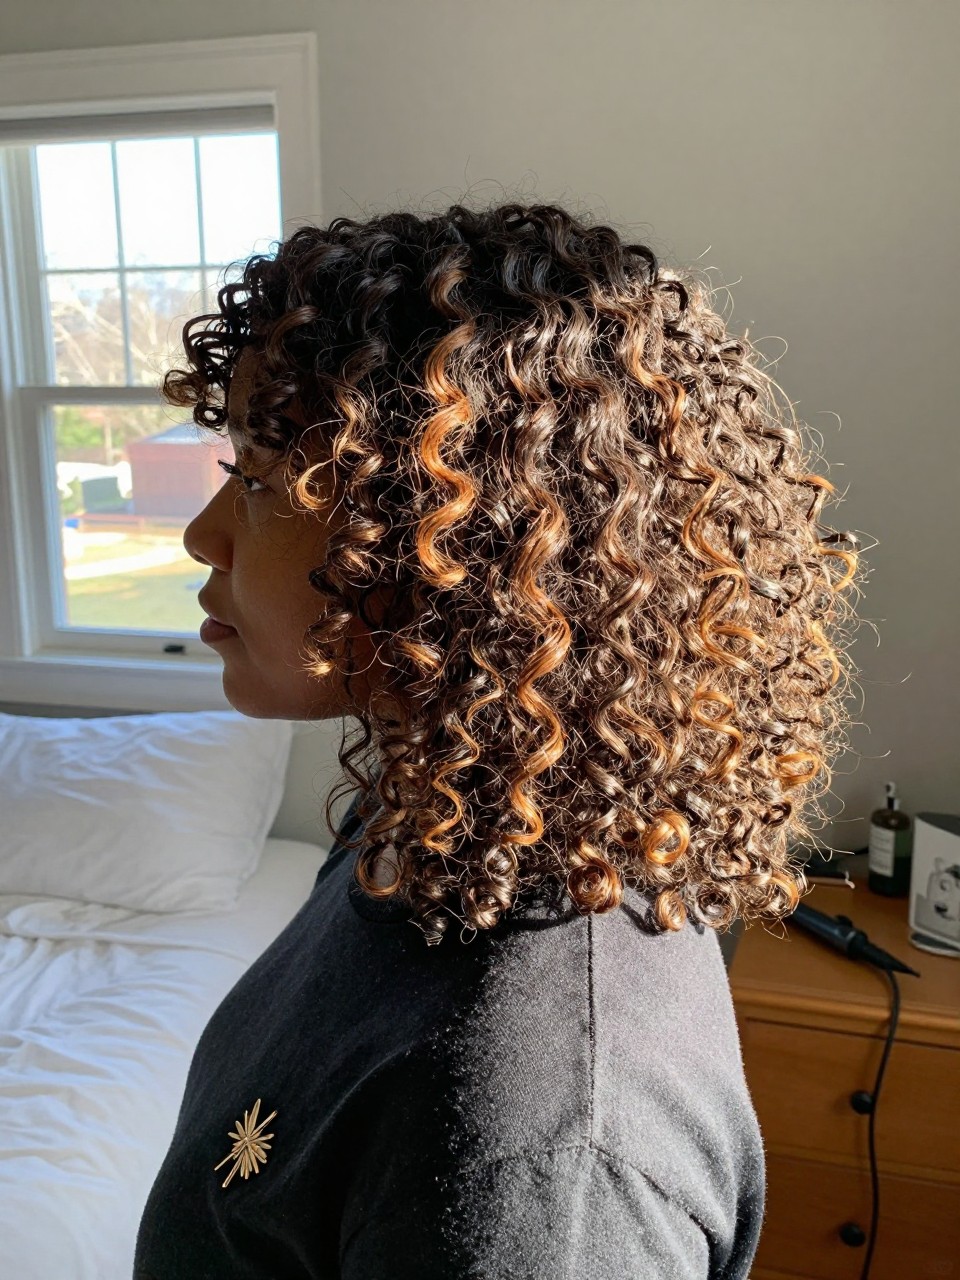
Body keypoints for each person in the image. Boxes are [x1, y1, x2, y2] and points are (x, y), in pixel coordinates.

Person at [133, 201, 861, 1279]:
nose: (203, 535)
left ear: (456, 541)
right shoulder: (439, 817)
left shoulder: (545, 1162)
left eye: (259, 479)